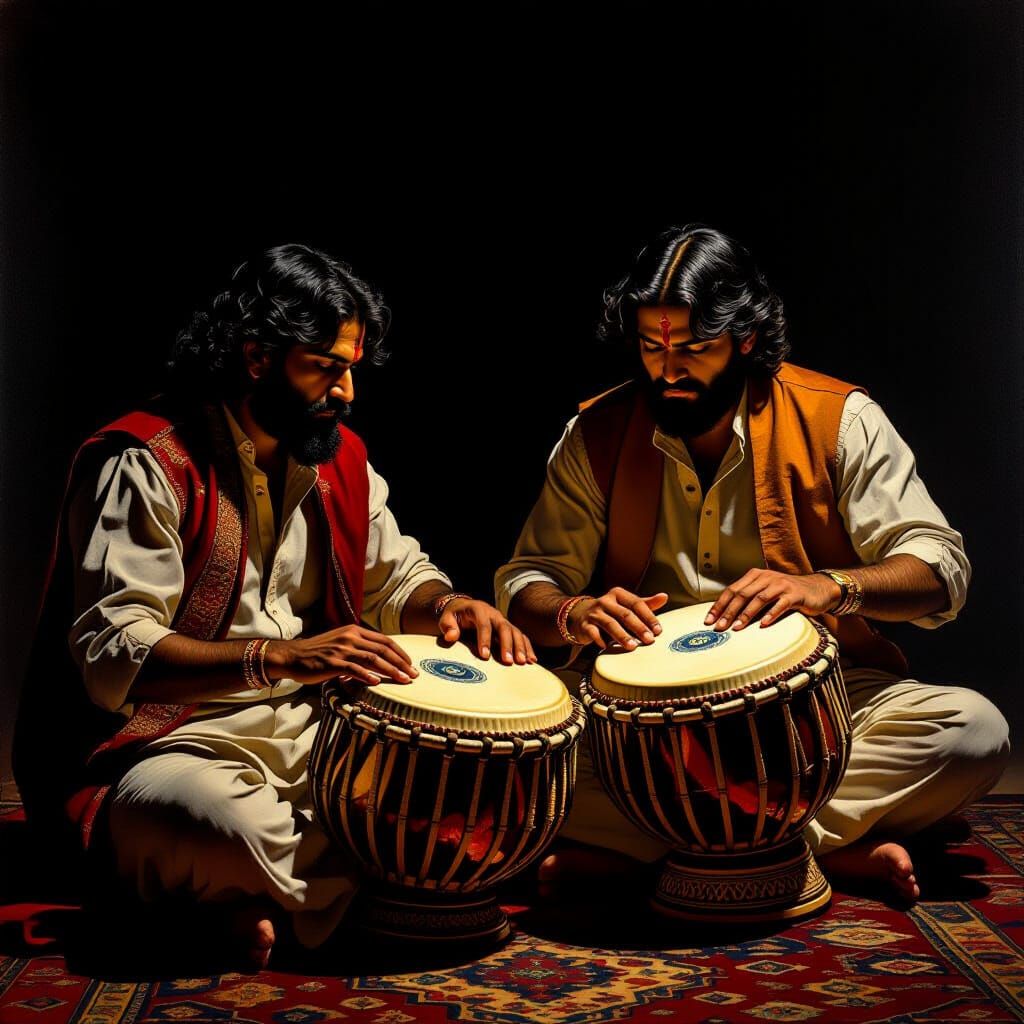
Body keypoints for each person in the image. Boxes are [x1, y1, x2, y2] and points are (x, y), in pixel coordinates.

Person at [14, 243, 535, 968]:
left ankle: (241, 910)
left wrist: (451, 602)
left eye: (352, 368)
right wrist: (278, 658)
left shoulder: (338, 459)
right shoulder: (146, 462)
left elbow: (397, 579)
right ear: (257, 357)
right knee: (230, 825)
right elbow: (116, 653)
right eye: (325, 367)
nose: (346, 391)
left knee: (461, 778)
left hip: (325, 738)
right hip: (175, 746)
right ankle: (382, 900)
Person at [495, 224, 1009, 904]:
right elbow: (527, 580)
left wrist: (829, 588)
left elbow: (940, 568)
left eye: (693, 349)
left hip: (816, 709)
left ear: (744, 338)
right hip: (639, 722)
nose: (667, 370)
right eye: (651, 347)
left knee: (973, 732)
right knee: (506, 761)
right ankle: (817, 845)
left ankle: (651, 853)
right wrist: (576, 611)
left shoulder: (839, 419)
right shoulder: (596, 432)